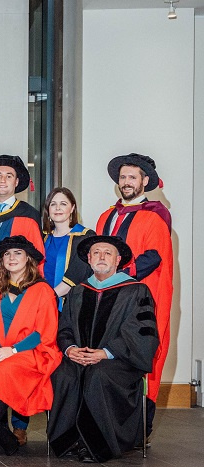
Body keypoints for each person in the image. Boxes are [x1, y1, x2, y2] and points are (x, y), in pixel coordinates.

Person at [48, 235, 158, 463]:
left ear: (118, 260)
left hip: (120, 360)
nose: (101, 257)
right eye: (96, 253)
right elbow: (64, 327)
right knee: (64, 374)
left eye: (107, 253)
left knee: (99, 375)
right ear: (88, 259)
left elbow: (139, 331)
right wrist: (70, 349)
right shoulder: (78, 291)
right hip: (80, 356)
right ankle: (71, 440)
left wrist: (105, 353)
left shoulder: (136, 291)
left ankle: (98, 444)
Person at [0, 236, 61, 457]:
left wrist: (13, 350)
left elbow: (44, 332)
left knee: (4, 371)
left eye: (17, 253)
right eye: (7, 254)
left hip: (33, 352)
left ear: (28, 259)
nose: (11, 257)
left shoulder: (42, 290)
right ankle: (3, 433)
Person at [95, 153, 172, 435]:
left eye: (132, 177)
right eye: (123, 177)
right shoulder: (107, 215)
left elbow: (154, 256)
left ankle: (138, 430)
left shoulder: (155, 214)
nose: (126, 182)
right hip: (108, 296)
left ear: (145, 181)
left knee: (139, 354)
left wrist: (118, 277)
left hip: (142, 298)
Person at [0, 155, 44, 297]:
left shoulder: (29, 215)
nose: (3, 180)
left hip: (19, 292)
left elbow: (37, 259)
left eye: (9, 176)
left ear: (16, 182)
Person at [41, 187, 95, 309]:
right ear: (48, 210)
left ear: (72, 208)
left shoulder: (85, 237)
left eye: (63, 204)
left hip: (72, 306)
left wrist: (48, 298)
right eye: (53, 204)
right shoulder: (43, 238)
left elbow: (77, 274)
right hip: (43, 303)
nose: (58, 208)